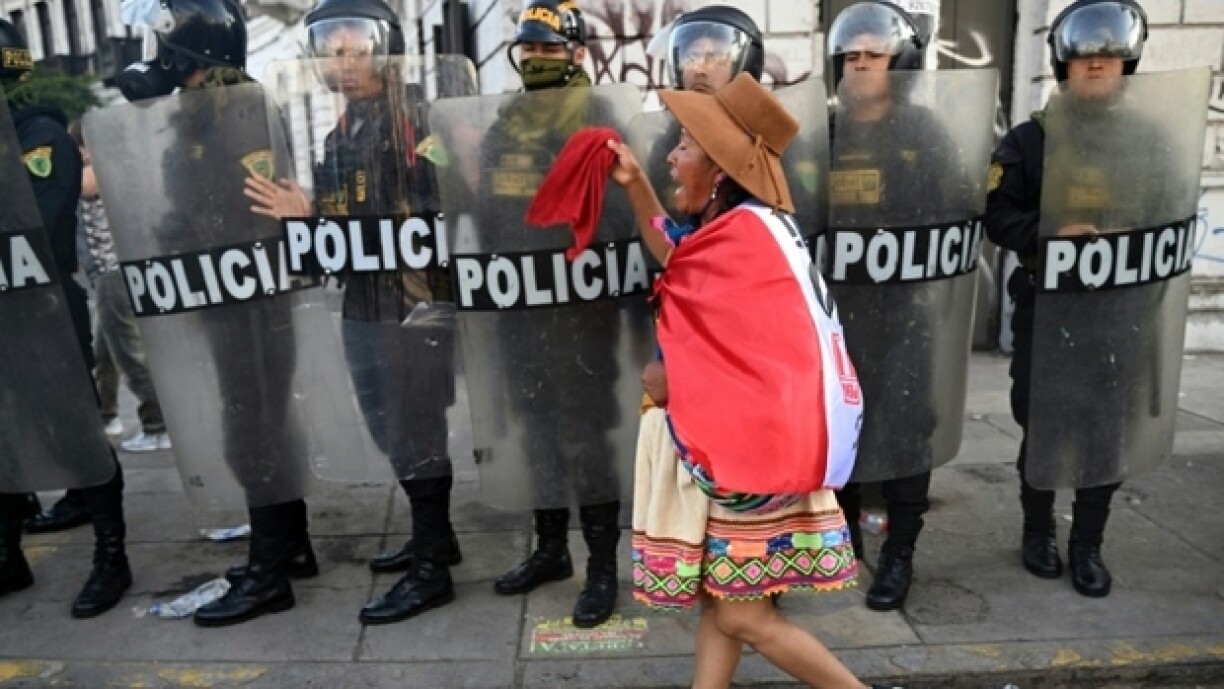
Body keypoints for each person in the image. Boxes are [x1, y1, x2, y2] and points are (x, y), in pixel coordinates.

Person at [608, 71, 897, 689]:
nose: (672, 155)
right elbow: (682, 262)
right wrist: (635, 187)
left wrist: (671, 378)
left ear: (718, 170)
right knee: (726, 602)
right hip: (757, 445)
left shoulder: (743, 239)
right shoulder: (745, 230)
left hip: (754, 453)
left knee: (747, 617)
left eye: (686, 144)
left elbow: (741, 354)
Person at [244, 0, 462, 625]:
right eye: (332, 50)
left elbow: (434, 205)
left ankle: (431, 572)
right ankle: (435, 537)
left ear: (384, 51)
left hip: (412, 307)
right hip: (365, 304)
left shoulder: (413, 120)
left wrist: (311, 220)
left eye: (356, 49)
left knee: (417, 433)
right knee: (392, 431)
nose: (343, 62)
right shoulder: (345, 129)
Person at [106, 0, 319, 626]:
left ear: (193, 50)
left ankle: (270, 574)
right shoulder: (216, 109)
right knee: (262, 425)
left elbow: (237, 207)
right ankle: (289, 548)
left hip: (247, 300)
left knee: (252, 431)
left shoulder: (230, 115)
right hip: (236, 297)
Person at [985, 0, 1160, 598]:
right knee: (1042, 425)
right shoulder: (1030, 140)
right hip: (1047, 308)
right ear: (1063, 62)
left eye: (1109, 57)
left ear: (1127, 63)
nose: (1096, 67)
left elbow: (1172, 218)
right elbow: (996, 217)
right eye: (1084, 56)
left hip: (1119, 316)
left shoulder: (1150, 141)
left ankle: (1087, 545)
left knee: (1104, 433)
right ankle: (1038, 533)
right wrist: (1048, 231)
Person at [823, 0, 979, 612]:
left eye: (874, 56)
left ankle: (899, 558)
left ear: (901, 63)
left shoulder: (927, 134)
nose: (861, 67)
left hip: (904, 320)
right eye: (851, 57)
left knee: (908, 436)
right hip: (838, 322)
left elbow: (960, 209)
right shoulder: (823, 133)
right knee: (843, 441)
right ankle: (844, 546)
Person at [0, 18, 133, 618]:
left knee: (78, 432)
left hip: (48, 312)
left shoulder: (40, 136)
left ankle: (111, 557)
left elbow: (40, 226)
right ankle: (7, 555)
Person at [72, 122, 173, 455]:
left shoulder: (99, 171)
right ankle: (107, 415)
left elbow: (80, 186)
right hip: (112, 276)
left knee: (130, 356)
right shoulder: (116, 167)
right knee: (106, 354)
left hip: (115, 275)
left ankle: (158, 426)